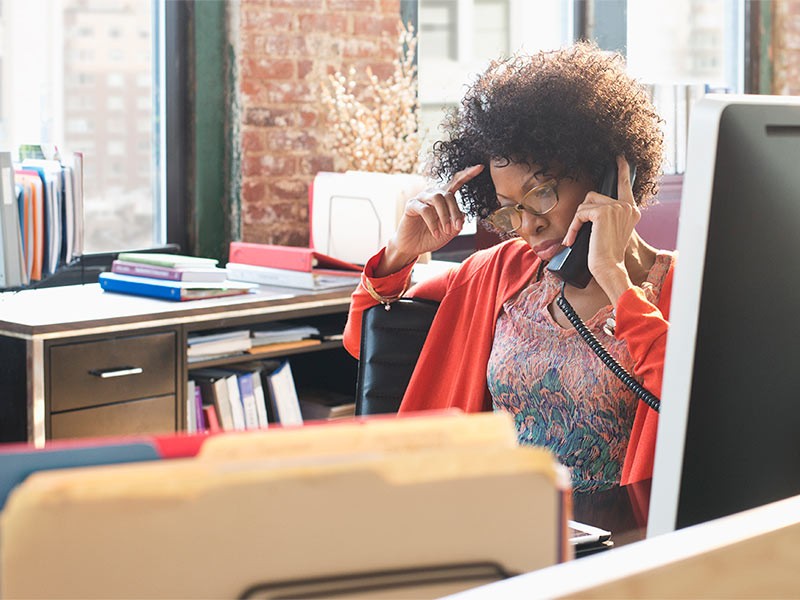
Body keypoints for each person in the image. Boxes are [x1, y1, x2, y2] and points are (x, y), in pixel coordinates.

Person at [343, 41, 674, 493]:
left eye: (541, 193)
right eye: (508, 210)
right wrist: (401, 253)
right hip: (494, 530)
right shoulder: (499, 273)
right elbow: (366, 341)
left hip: (623, 544)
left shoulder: (685, 290)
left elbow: (693, 412)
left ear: (607, 176)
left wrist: (613, 275)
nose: (529, 226)